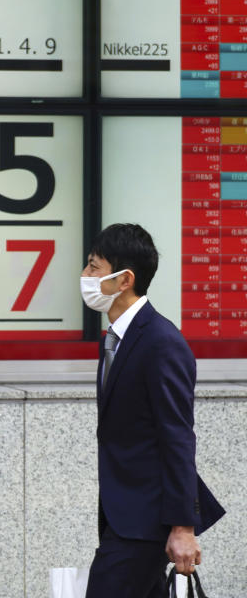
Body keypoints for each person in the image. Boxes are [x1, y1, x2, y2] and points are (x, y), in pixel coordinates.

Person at [81, 223, 224, 598]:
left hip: (144, 521)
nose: (85, 276)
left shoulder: (161, 342)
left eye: (94, 267)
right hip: (123, 514)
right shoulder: (116, 337)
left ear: (124, 279)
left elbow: (177, 437)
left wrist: (183, 527)